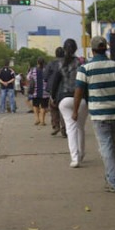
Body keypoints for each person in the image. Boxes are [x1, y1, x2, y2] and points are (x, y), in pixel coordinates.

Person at [74, 36, 115, 193]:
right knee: (110, 145)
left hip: (100, 114)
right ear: (106, 48)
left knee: (106, 146)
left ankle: (113, 180)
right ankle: (110, 176)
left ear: (92, 50)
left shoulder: (85, 69)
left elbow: (78, 92)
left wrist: (75, 111)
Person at [50, 38, 87, 168]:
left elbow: (54, 83)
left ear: (64, 49)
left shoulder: (60, 64)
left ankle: (75, 158)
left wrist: (53, 97)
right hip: (81, 99)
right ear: (76, 48)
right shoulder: (81, 63)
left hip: (64, 99)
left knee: (70, 128)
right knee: (80, 128)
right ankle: (81, 154)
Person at [44, 47, 66, 136]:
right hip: (65, 89)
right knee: (64, 109)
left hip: (53, 89)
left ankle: (56, 126)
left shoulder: (51, 63)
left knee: (53, 108)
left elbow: (45, 76)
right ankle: (64, 128)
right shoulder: (67, 63)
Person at [27, 57, 50, 126]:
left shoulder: (33, 70)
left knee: (35, 105)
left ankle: (37, 119)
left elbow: (28, 77)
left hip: (35, 91)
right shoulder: (46, 70)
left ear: (37, 62)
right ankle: (42, 120)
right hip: (45, 92)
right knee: (43, 106)